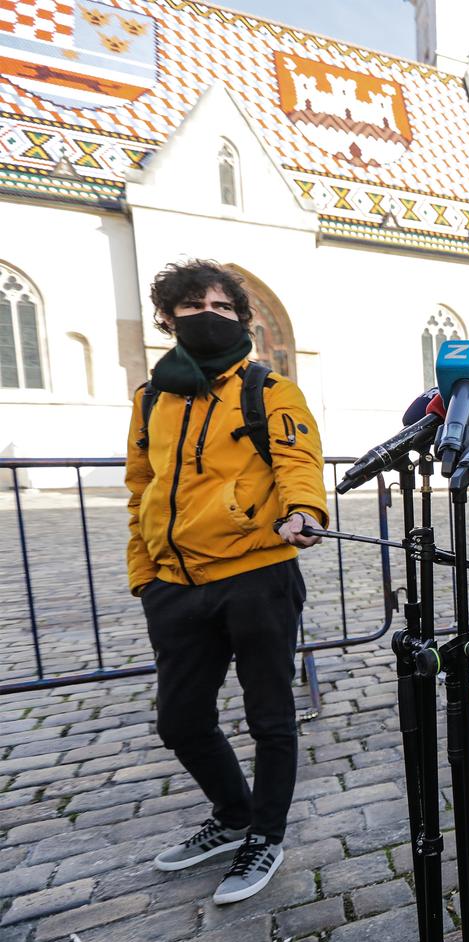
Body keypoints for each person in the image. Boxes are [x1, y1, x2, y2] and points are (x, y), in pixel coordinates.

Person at [128, 260, 325, 904]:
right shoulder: (151, 398)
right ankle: (234, 815)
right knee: (181, 721)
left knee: (270, 717)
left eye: (222, 304)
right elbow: (141, 489)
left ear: (240, 316)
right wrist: (145, 575)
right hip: (176, 585)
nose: (209, 314)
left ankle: (264, 836)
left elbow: (299, 460)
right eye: (193, 305)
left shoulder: (270, 390)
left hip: (258, 576)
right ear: (168, 318)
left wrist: (305, 512)